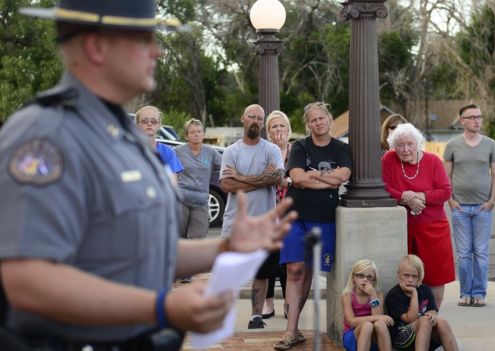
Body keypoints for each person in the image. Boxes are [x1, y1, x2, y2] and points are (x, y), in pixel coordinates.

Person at [0, 2, 297, 350]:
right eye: (144, 39)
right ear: (97, 46)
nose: (156, 50)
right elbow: (28, 282)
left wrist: (226, 247)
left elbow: (145, 250)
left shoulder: (124, 136)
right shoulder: (46, 137)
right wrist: (161, 307)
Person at [275, 102, 352, 350]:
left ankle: (295, 329)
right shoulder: (299, 146)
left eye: (322, 118)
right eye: (313, 120)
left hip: (324, 219)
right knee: (294, 269)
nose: (318, 123)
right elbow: (296, 177)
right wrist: (326, 180)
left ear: (329, 119)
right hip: (295, 215)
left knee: (307, 272)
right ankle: (289, 332)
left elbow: (343, 177)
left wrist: (313, 176)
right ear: (308, 124)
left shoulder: (341, 148)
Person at [220, 104, 284, 329]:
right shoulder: (231, 151)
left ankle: (255, 316)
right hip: (236, 224)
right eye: (251, 117)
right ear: (243, 119)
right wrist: (259, 178)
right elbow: (227, 185)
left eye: (259, 117)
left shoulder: (271, 150)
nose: (255, 120)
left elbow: (277, 178)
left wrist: (242, 177)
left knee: (263, 272)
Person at [382, 123, 454, 309]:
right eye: (400, 145)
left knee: (435, 275)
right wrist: (405, 198)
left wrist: (420, 196)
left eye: (410, 144)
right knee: (407, 274)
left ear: (418, 143)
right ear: (393, 146)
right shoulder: (389, 160)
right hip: (402, 228)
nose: (405, 149)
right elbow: (384, 188)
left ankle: (433, 315)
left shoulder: (433, 161)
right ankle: (408, 317)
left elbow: (445, 192)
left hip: (433, 227)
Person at [443, 103, 495, 307]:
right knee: (464, 253)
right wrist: (451, 201)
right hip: (460, 208)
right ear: (462, 121)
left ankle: (479, 293)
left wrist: (491, 201)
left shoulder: (490, 144)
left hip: (483, 208)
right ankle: (465, 292)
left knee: (481, 253)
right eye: (472, 117)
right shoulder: (452, 145)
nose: (477, 120)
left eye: (479, 116)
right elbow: (446, 177)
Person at [385, 255, 459, 351]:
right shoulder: (394, 295)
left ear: (419, 277)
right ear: (399, 275)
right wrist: (414, 294)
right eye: (406, 275)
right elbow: (411, 319)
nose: (410, 280)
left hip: (425, 334)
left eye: (414, 276)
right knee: (425, 321)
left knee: (442, 322)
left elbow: (433, 310)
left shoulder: (425, 289)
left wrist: (432, 316)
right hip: (402, 339)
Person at [263, 110, 292, 319]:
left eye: (282, 125)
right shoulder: (263, 152)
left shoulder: (297, 151)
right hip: (268, 211)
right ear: (268, 131)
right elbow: (266, 178)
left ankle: (288, 303)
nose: (278, 130)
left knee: (287, 261)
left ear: (288, 129)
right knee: (269, 259)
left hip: (290, 213)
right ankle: (268, 302)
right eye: (274, 126)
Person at [174, 118, 222, 240]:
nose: (196, 134)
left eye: (199, 131)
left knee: (198, 237)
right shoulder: (177, 152)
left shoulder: (210, 152)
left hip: (201, 202)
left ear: (203, 133)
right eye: (192, 132)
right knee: (179, 238)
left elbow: (225, 164)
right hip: (181, 200)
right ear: (186, 136)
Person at [341, 259, 392, 351]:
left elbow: (378, 317)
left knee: (380, 324)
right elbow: (351, 322)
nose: (365, 279)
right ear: (353, 278)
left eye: (369, 277)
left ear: (374, 281)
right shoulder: (347, 296)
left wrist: (373, 295)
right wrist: (378, 318)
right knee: (367, 325)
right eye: (360, 275)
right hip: (353, 336)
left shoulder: (378, 295)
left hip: (373, 337)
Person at [135, 105, 184, 178]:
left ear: (159, 125)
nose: (149, 124)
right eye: (144, 121)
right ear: (137, 125)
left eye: (154, 122)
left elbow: (172, 183)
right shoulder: (129, 149)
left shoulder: (168, 152)